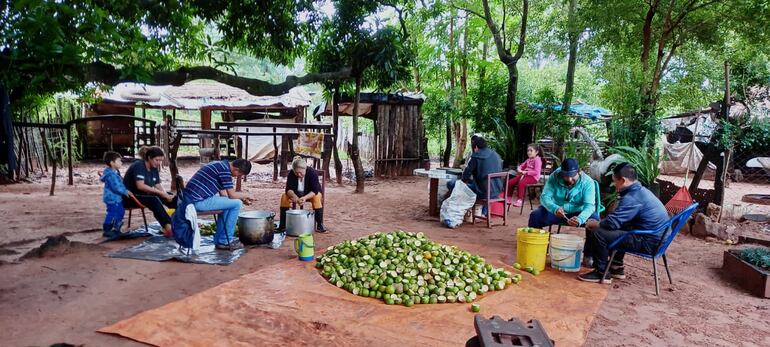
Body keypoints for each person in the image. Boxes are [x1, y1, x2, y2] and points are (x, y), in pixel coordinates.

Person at [578, 163, 670, 283]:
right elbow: (618, 221)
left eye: (615, 181)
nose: (613, 185)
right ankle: (616, 267)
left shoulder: (632, 198)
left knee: (598, 233)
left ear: (623, 180)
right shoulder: (641, 191)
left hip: (649, 243)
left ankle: (601, 273)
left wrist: (596, 224)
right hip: (657, 238)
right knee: (621, 226)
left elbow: (612, 223)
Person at [184, 158, 253, 250]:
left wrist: (242, 198)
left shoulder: (221, 165)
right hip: (196, 202)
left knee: (231, 205)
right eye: (239, 174)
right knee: (237, 204)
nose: (237, 176)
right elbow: (232, 195)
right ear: (236, 169)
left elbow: (224, 195)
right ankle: (224, 241)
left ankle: (221, 241)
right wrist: (248, 195)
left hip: (191, 200)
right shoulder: (225, 171)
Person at [528, 158, 599, 229]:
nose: (569, 179)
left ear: (579, 172)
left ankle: (590, 240)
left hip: (578, 212)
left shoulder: (588, 182)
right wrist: (555, 209)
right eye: (566, 176)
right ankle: (537, 239)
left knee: (594, 221)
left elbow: (589, 206)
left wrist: (580, 219)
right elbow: (544, 197)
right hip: (556, 211)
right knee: (535, 216)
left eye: (572, 175)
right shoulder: (555, 176)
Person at [123, 146, 176, 237]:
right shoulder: (139, 165)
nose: (159, 163)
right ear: (149, 158)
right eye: (157, 160)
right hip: (130, 197)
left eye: (161, 161)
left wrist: (166, 195)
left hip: (144, 196)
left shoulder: (154, 168)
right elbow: (140, 186)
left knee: (173, 197)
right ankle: (168, 227)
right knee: (154, 200)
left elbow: (157, 185)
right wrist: (162, 194)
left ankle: (179, 222)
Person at [279, 156, 327, 233]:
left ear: (305, 169)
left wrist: (304, 198)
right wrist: (295, 197)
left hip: (311, 194)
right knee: (284, 197)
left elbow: (315, 190)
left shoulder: (312, 173)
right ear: (293, 170)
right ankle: (283, 225)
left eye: (301, 172)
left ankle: (320, 224)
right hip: (297, 194)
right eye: (296, 172)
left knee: (316, 198)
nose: (299, 175)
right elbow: (288, 189)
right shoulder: (291, 174)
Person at [100, 151, 135, 238]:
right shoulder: (111, 175)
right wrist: (125, 191)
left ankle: (116, 228)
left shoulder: (114, 173)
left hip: (116, 198)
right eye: (119, 161)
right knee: (112, 212)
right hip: (113, 198)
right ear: (112, 163)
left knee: (120, 211)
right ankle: (108, 230)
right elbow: (116, 187)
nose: (121, 162)